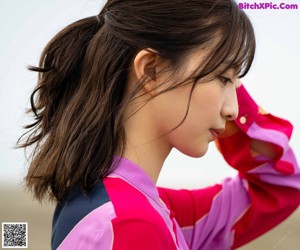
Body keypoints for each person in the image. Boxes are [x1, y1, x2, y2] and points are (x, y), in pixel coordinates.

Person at [18, 0, 300, 249]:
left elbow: (280, 185)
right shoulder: (132, 223)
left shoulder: (141, 210)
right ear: (152, 71)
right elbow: (281, 182)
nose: (233, 110)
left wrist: (230, 70)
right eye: (223, 78)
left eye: (236, 84)